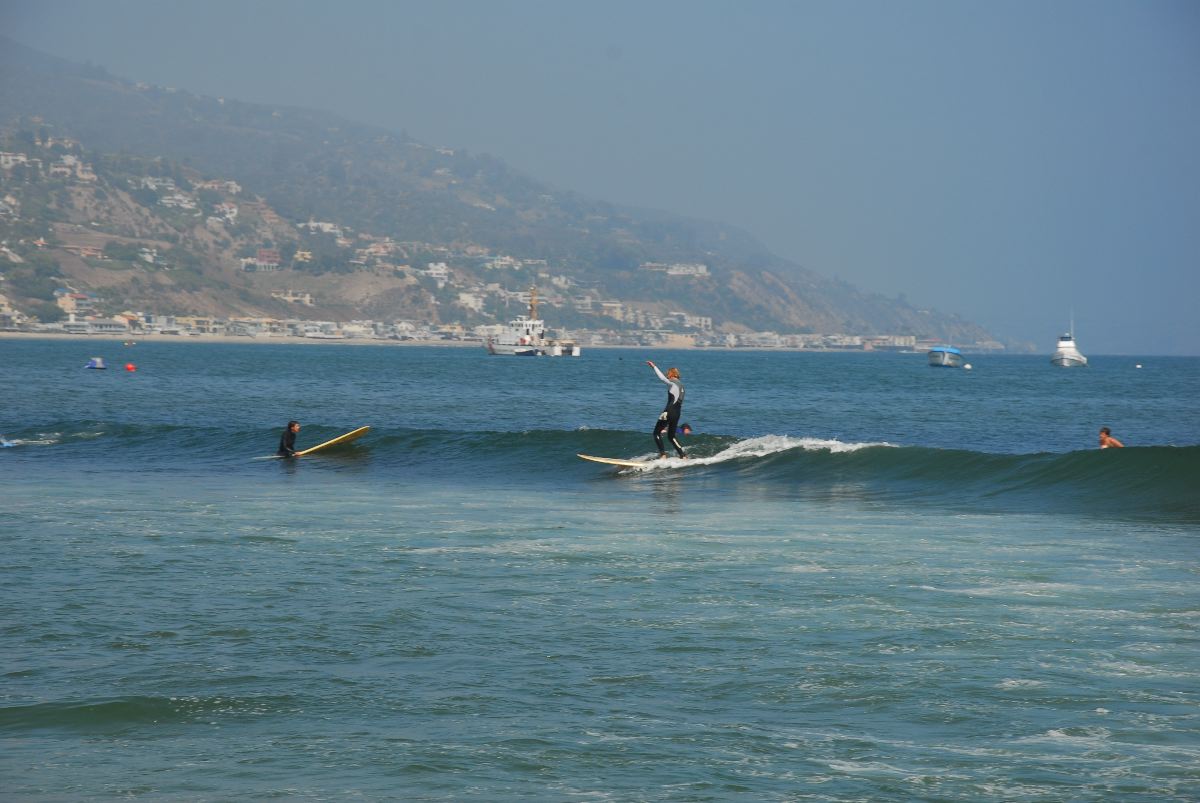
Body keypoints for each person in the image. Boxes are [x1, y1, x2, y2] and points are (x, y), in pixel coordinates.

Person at [646, 360, 686, 459]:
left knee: (656, 433)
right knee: (671, 436)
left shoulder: (673, 382)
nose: (667, 376)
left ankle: (663, 455)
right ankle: (683, 456)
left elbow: (662, 378)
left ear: (671, 374)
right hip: (677, 413)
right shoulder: (682, 386)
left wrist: (654, 367)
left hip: (669, 412)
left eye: (668, 374)